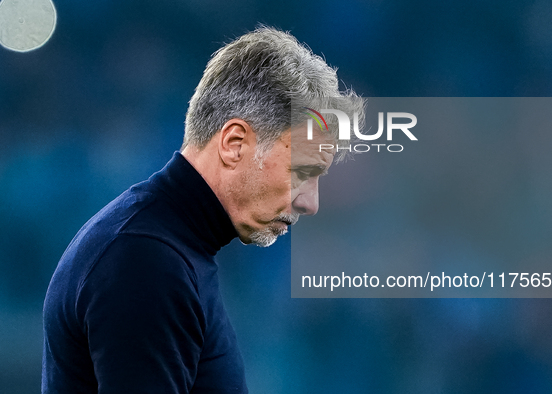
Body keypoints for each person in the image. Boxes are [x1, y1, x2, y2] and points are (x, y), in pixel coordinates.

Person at [42, 26, 362, 393]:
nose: (311, 202)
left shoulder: (165, 246)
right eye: (302, 172)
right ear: (234, 143)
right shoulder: (146, 262)